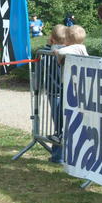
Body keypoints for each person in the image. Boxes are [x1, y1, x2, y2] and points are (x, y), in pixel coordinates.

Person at [41, 24, 67, 163]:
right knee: (65, 123)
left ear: (52, 38)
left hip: (54, 90)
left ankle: (58, 156)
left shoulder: (48, 51)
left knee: (58, 125)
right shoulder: (70, 50)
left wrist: (49, 43)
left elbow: (43, 53)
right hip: (66, 91)